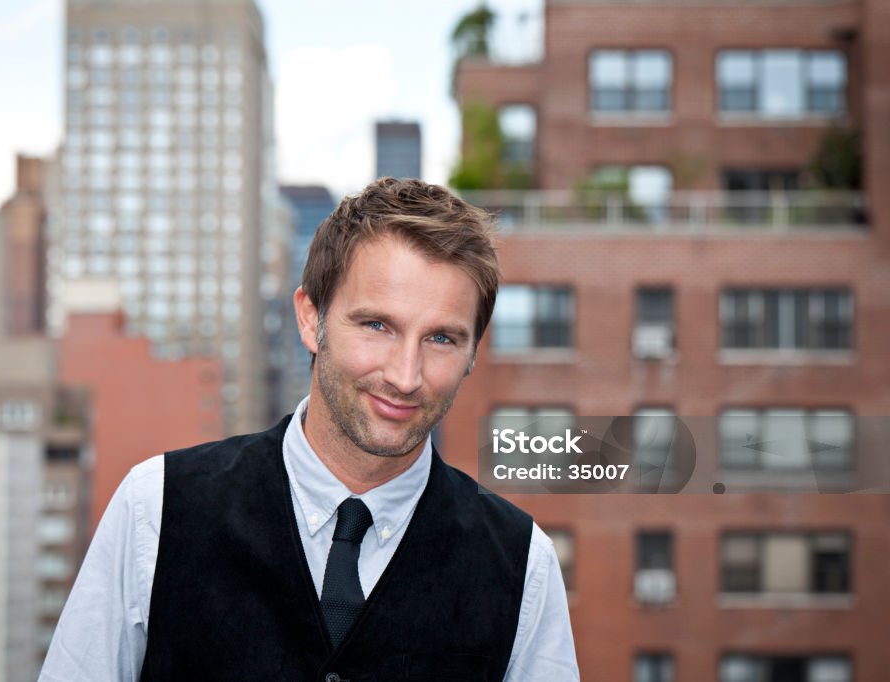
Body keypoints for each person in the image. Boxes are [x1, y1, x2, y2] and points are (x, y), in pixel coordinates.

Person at [40, 178, 579, 681]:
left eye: (441, 339)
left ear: (471, 355)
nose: (405, 375)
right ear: (309, 318)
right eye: (376, 325)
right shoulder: (154, 508)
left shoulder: (521, 564)